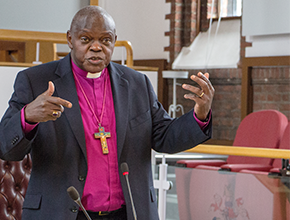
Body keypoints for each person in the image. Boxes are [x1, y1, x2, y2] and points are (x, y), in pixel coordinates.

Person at [0, 5, 214, 220]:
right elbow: (6, 148)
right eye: (85, 40)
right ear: (70, 39)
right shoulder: (35, 81)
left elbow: (164, 137)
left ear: (114, 41)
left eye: (105, 40)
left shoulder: (136, 83)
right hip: (62, 213)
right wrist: (27, 117)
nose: (96, 47)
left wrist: (200, 115)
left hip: (128, 212)